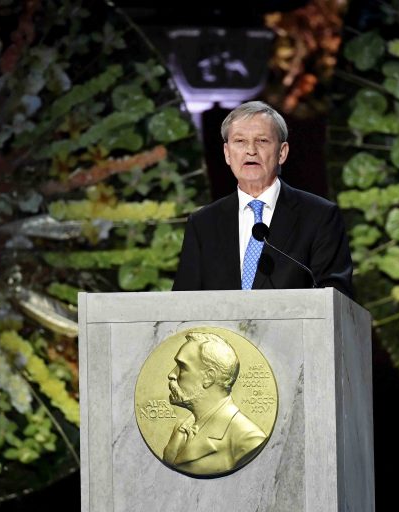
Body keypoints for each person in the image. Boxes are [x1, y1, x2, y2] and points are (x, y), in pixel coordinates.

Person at [172, 101, 353, 297]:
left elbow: (335, 297)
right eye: (240, 141)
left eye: (262, 141)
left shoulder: (319, 216)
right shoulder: (202, 224)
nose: (251, 150)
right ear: (227, 154)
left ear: (282, 153)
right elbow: (183, 302)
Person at [163, 332, 267, 475]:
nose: (171, 374)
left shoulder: (248, 440)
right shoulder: (181, 429)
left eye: (182, 367)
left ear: (209, 377)